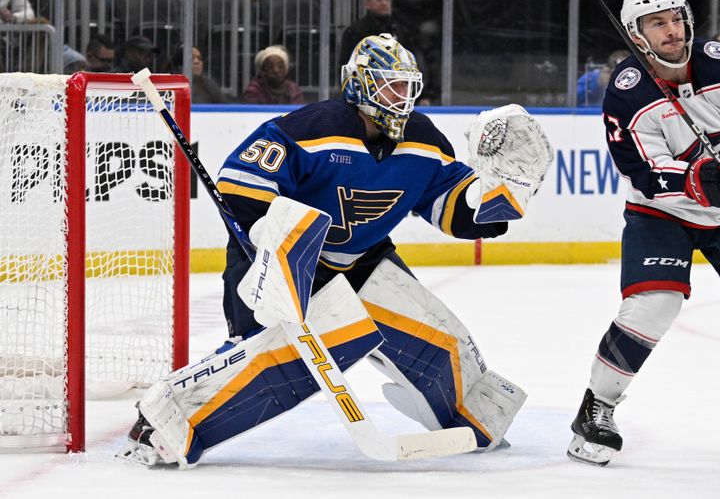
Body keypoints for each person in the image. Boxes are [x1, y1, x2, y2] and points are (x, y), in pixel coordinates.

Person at [117, 34, 554, 469]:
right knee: (270, 358)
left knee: (434, 334)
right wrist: (273, 241)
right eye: (391, 85)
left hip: (362, 263)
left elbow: (456, 209)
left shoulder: (424, 139)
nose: (402, 97)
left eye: (407, 86)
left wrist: (504, 191)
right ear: (361, 85)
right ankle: (165, 420)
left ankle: (472, 414)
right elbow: (239, 183)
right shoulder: (312, 127)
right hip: (282, 261)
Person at [567, 0, 720, 467]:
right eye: (657, 23)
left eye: (676, 18)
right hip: (663, 213)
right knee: (653, 306)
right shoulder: (626, 95)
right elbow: (645, 173)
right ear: (637, 34)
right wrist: (701, 178)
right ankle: (597, 407)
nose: (672, 31)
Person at [338, 0, 411, 68]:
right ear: (367, 4)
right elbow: (346, 64)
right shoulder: (355, 31)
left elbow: (407, 60)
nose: (383, 3)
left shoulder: (398, 29)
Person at [162, 45, 228, 103]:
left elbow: (226, 109)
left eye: (199, 58)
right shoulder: (169, 86)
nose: (197, 62)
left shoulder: (209, 85)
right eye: (192, 58)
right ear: (180, 64)